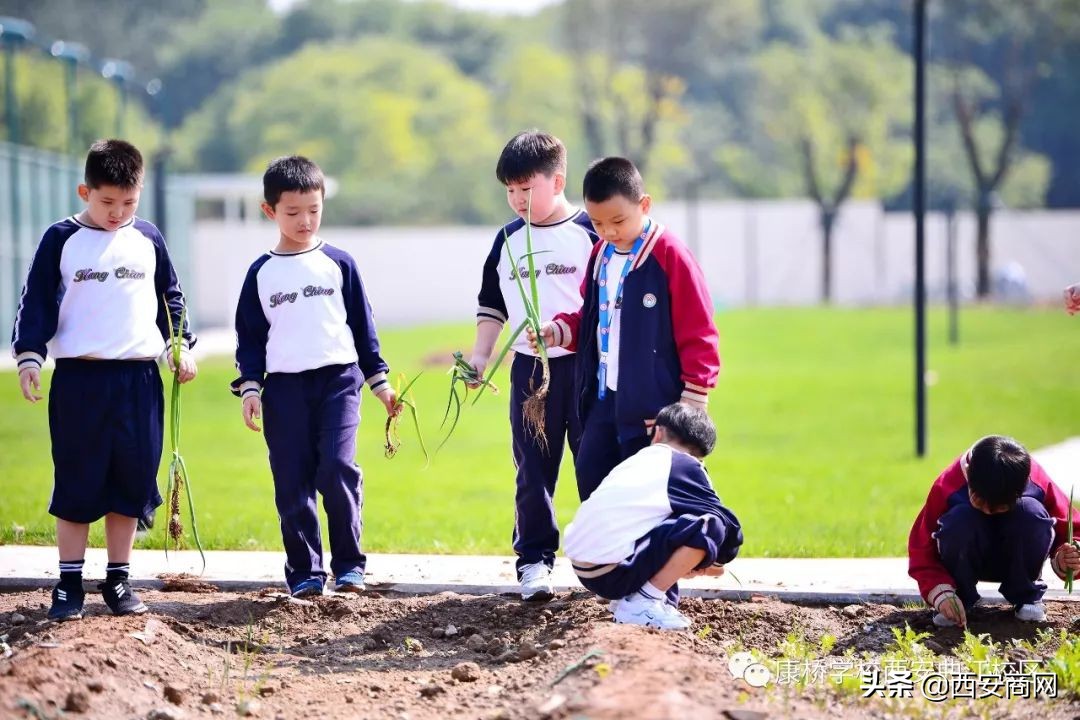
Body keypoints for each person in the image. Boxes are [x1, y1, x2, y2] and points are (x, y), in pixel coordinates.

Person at [12, 139, 197, 621]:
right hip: (79, 381)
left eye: (129, 203)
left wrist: (178, 346)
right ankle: (68, 583)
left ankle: (119, 580)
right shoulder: (61, 239)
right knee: (77, 479)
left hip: (139, 381)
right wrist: (29, 357)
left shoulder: (149, 238)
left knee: (130, 483)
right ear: (84, 192)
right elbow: (34, 303)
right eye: (107, 202)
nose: (118, 213)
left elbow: (171, 301)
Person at [232, 155, 398, 598]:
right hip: (283, 389)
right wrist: (250, 386)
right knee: (292, 477)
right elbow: (249, 339)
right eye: (292, 212)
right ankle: (305, 571)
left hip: (339, 382)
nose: (305, 220)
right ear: (270, 211)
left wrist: (379, 382)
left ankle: (349, 565)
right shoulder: (261, 273)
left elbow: (363, 327)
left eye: (314, 209)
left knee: (337, 467)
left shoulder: (339, 263)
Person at [531, 156, 721, 500]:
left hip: (654, 407)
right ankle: (601, 555)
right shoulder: (600, 253)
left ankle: (664, 552)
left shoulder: (670, 255)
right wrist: (557, 331)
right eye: (598, 223)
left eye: (618, 220)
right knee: (592, 482)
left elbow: (700, 330)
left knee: (651, 496)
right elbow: (590, 318)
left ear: (644, 204)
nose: (608, 232)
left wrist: (694, 400)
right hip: (603, 401)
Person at [470, 130, 597, 601]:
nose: (518, 199)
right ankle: (535, 563)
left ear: (557, 179)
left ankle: (601, 557)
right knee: (532, 468)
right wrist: (481, 356)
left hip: (584, 370)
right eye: (510, 190)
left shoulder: (590, 232)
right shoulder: (506, 240)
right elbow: (491, 306)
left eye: (528, 189)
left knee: (595, 464)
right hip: (529, 373)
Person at [563, 403, 742, 630]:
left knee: (668, 520)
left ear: (658, 433)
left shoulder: (639, 460)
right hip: (611, 569)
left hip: (587, 566)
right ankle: (642, 602)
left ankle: (637, 599)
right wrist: (710, 562)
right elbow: (728, 526)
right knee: (708, 525)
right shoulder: (685, 465)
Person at [908, 435, 1080, 627]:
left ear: (1021, 488)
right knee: (960, 519)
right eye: (979, 501)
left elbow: (1072, 527)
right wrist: (940, 592)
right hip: (966, 559)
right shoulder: (947, 485)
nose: (988, 512)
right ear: (968, 475)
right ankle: (958, 598)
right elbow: (921, 548)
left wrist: (1067, 558)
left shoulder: (1036, 480)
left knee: (1031, 512)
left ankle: (1026, 595)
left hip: (1019, 559)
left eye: (1000, 507)